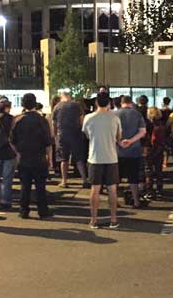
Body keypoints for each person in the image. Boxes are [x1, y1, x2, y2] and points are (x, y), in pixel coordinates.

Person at [82, 92, 122, 229]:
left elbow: (86, 135)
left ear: (96, 103)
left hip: (95, 157)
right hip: (111, 157)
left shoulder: (88, 118)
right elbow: (118, 137)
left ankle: (93, 220)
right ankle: (113, 219)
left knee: (95, 189)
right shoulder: (115, 118)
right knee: (112, 189)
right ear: (109, 103)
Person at [12, 93, 54, 219]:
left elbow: (12, 140)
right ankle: (43, 210)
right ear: (35, 104)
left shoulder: (18, 120)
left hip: (24, 156)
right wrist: (50, 158)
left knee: (25, 185)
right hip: (39, 156)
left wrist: (18, 154)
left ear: (23, 104)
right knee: (40, 185)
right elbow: (48, 141)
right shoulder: (42, 120)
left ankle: (23, 210)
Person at [52, 91, 88, 188]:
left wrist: (56, 136)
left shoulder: (57, 107)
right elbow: (82, 119)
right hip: (76, 134)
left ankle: (64, 181)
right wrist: (81, 130)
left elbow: (54, 124)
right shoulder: (76, 105)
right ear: (69, 96)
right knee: (79, 158)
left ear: (61, 97)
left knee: (64, 159)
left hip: (62, 135)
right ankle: (85, 180)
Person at [116, 96, 147, 208]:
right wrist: (130, 141)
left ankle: (115, 201)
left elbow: (111, 132)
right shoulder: (137, 114)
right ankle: (136, 201)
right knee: (133, 178)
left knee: (116, 178)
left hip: (117, 151)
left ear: (121, 103)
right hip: (134, 151)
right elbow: (143, 132)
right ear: (131, 103)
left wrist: (119, 142)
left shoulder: (114, 114)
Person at [147, 107, 167, 199]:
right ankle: (159, 190)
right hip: (159, 150)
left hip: (151, 150)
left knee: (149, 172)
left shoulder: (149, 126)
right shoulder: (162, 126)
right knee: (159, 172)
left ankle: (150, 191)